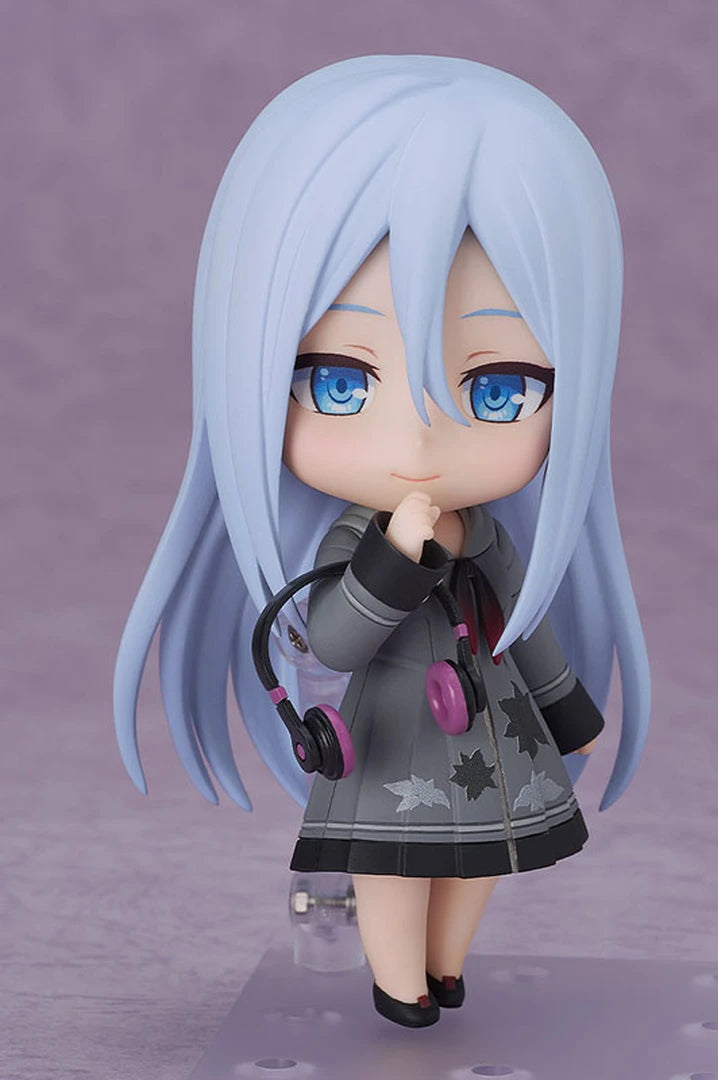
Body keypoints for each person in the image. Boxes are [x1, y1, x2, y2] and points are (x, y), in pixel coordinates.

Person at [114, 54, 650, 1029]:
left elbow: (523, 621)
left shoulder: (487, 535)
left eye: (498, 390)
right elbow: (333, 640)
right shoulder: (360, 539)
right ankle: (399, 982)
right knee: (392, 866)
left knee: (488, 860)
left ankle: (445, 966)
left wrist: (569, 710)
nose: (417, 441)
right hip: (395, 740)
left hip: (496, 735)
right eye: (339, 382)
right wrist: (393, 557)